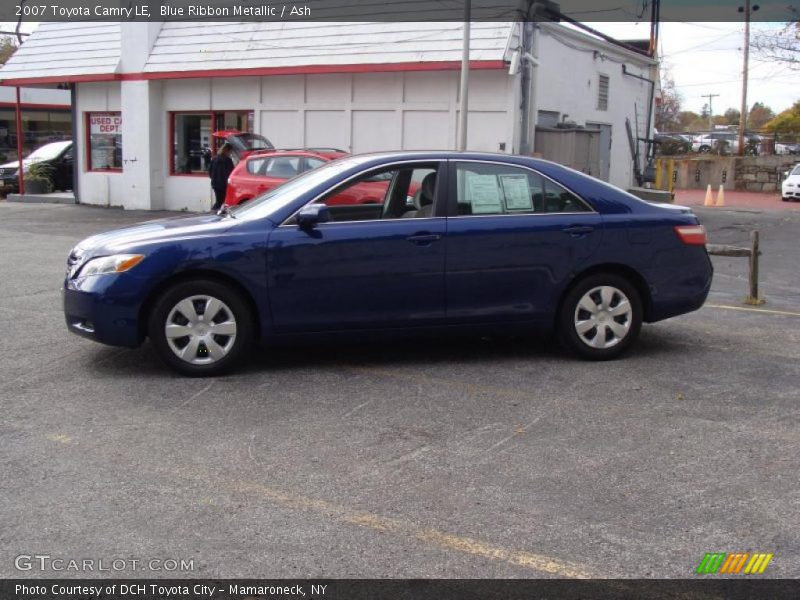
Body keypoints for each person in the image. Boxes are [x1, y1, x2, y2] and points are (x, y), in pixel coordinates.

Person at [209, 142, 235, 212]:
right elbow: (231, 173)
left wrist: (214, 179)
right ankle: (213, 213)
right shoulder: (228, 160)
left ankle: (214, 212)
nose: (230, 153)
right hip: (224, 185)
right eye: (230, 152)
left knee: (219, 201)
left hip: (215, 184)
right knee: (221, 202)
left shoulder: (214, 158)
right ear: (227, 151)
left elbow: (210, 172)